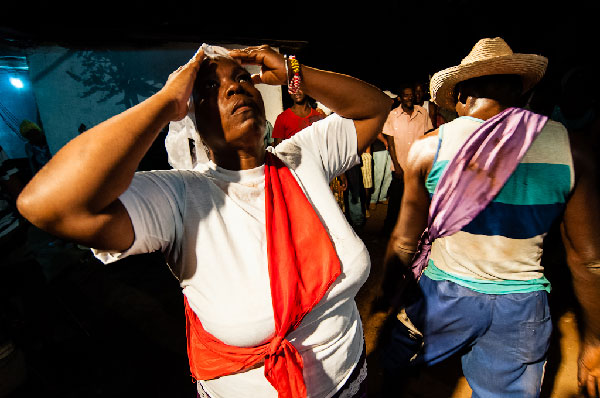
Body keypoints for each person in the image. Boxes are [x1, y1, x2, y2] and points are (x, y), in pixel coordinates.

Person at [16, 44, 392, 398]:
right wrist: (165, 101)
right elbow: (49, 205)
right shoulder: (180, 197)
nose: (234, 89)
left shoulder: (301, 156)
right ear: (191, 119)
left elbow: (374, 107)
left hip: (347, 375)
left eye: (242, 79)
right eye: (210, 88)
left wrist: (297, 71)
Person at [379, 37, 600, 398]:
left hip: (443, 295)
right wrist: (594, 341)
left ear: (462, 96)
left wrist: (389, 296)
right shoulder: (572, 149)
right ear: (520, 92)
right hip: (522, 306)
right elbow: (588, 261)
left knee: (397, 358)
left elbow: (405, 241)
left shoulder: (428, 147)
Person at [381, 84, 432, 236]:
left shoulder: (422, 113)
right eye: (406, 95)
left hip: (418, 166)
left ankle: (416, 232)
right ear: (400, 98)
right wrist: (396, 166)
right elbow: (390, 144)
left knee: (417, 202)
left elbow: (427, 139)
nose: (409, 98)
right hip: (400, 167)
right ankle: (388, 232)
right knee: (395, 202)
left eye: (411, 95)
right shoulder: (392, 116)